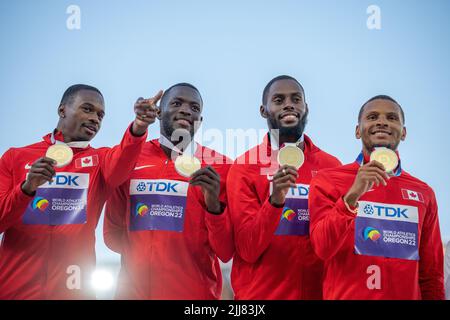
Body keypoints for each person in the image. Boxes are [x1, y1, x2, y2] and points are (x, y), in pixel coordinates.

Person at [0, 84, 162, 299]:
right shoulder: (15, 157)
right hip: (14, 288)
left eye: (100, 115)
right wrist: (26, 189)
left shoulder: (101, 161)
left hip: (75, 291)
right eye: (87, 109)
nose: (95, 118)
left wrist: (139, 126)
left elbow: (123, 159)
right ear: (62, 110)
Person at [104, 83, 234, 299]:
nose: (186, 110)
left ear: (199, 121)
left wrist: (214, 205)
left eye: (194, 108)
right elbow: (112, 236)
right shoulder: (130, 158)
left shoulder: (221, 167)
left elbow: (225, 251)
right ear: (158, 112)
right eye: (176, 103)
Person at [309, 95, 445, 299]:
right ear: (357, 130)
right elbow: (322, 248)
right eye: (372, 117)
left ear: (404, 133)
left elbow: (431, 273)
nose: (382, 122)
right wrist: (352, 196)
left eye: (392, 117)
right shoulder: (328, 180)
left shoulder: (424, 192)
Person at [227, 75, 341, 299]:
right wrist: (275, 200)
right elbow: (248, 249)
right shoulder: (244, 167)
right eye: (278, 100)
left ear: (305, 107)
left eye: (296, 99)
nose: (289, 104)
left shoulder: (332, 167)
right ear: (263, 110)